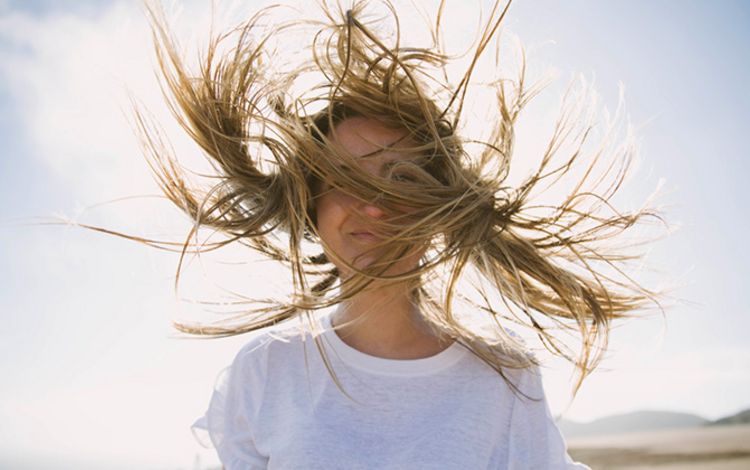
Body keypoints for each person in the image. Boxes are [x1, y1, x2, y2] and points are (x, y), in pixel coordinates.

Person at [135, 0, 663, 468]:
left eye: (402, 180)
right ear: (311, 207)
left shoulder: (504, 377)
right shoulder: (265, 372)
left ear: (439, 210)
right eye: (345, 180)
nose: (373, 207)